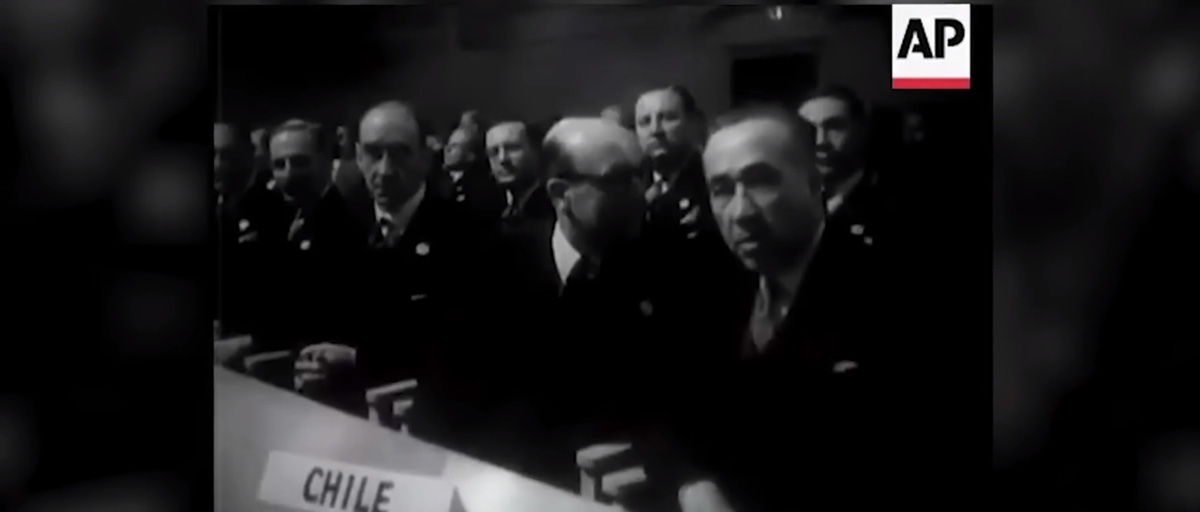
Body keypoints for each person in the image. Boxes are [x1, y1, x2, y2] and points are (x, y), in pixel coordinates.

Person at [660, 106, 901, 512]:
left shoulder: (884, 294)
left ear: (814, 182)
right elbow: (679, 411)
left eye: (761, 182)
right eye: (721, 189)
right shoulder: (708, 283)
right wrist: (694, 484)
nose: (740, 212)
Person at [491, 118, 724, 493]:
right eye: (620, 180)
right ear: (561, 193)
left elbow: (677, 404)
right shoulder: (498, 264)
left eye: (641, 175)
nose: (641, 192)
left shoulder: (671, 264)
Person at [294, 101, 518, 465]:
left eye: (399, 154)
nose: (384, 170)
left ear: (426, 158)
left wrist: (359, 359)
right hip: (340, 420)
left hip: (426, 425)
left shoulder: (468, 233)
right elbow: (315, 318)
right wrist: (311, 361)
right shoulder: (336, 228)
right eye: (373, 154)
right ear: (357, 156)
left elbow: (462, 348)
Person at [797, 85, 891, 248]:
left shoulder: (888, 206)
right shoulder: (791, 205)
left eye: (835, 127)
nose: (820, 142)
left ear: (861, 131)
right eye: (809, 130)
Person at [634, 86, 720, 245]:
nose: (655, 130)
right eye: (645, 121)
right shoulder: (630, 186)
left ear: (695, 124)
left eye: (668, 118)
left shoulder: (712, 181)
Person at [485, 120, 553, 226]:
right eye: (494, 152)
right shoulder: (486, 209)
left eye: (512, 148)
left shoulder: (554, 206)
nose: (502, 159)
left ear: (537, 151)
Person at [430, 126, 506, 220]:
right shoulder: (435, 181)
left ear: (471, 156)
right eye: (447, 144)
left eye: (454, 146)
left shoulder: (483, 188)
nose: (447, 150)